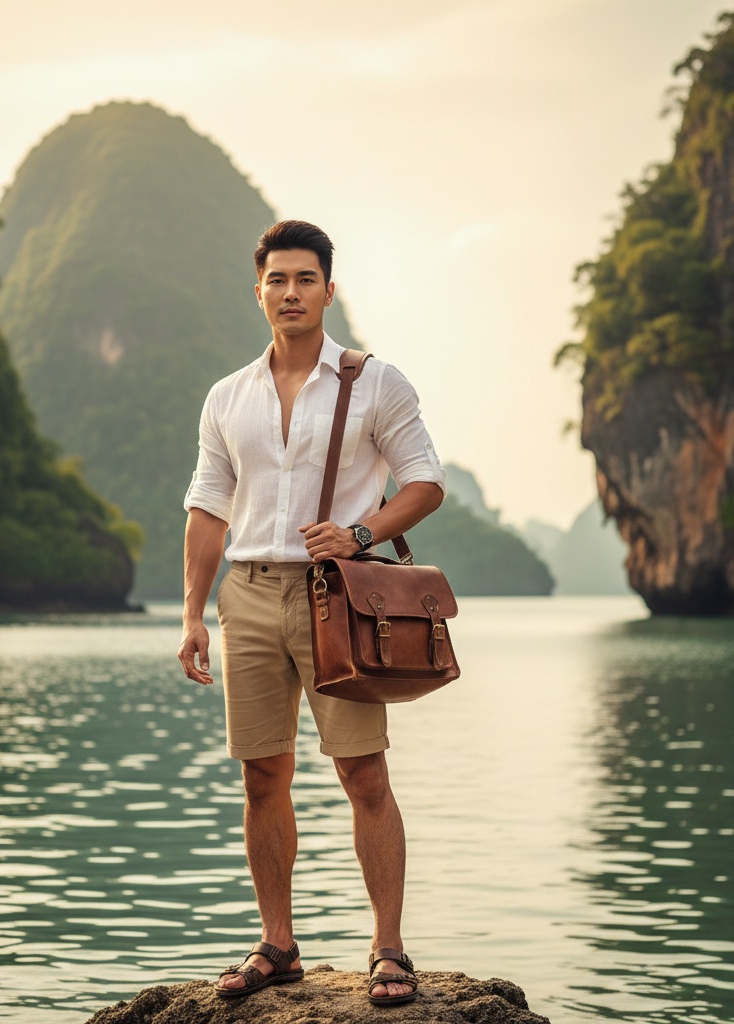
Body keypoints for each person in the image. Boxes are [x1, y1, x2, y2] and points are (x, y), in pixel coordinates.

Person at [177, 220, 446, 1007]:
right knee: (263, 775)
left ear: (329, 289)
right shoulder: (227, 396)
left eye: (305, 279)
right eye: (276, 280)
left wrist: (362, 532)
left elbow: (424, 483)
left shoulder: (376, 382)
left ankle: (389, 949)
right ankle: (278, 945)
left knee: (363, 772)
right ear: (258, 291)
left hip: (340, 599)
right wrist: (192, 614)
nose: (290, 292)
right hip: (248, 594)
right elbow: (206, 508)